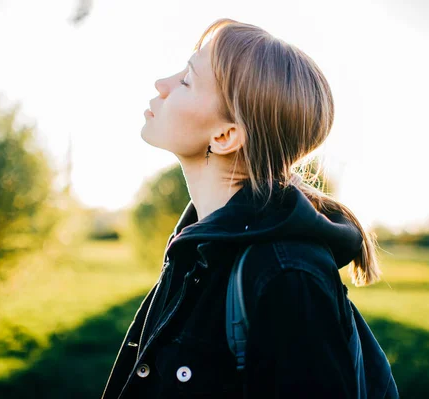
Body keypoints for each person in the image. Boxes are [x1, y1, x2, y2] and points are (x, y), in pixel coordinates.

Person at [101, 18, 396, 399]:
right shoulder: (196, 249)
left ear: (225, 136)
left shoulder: (286, 278)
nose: (163, 85)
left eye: (187, 80)